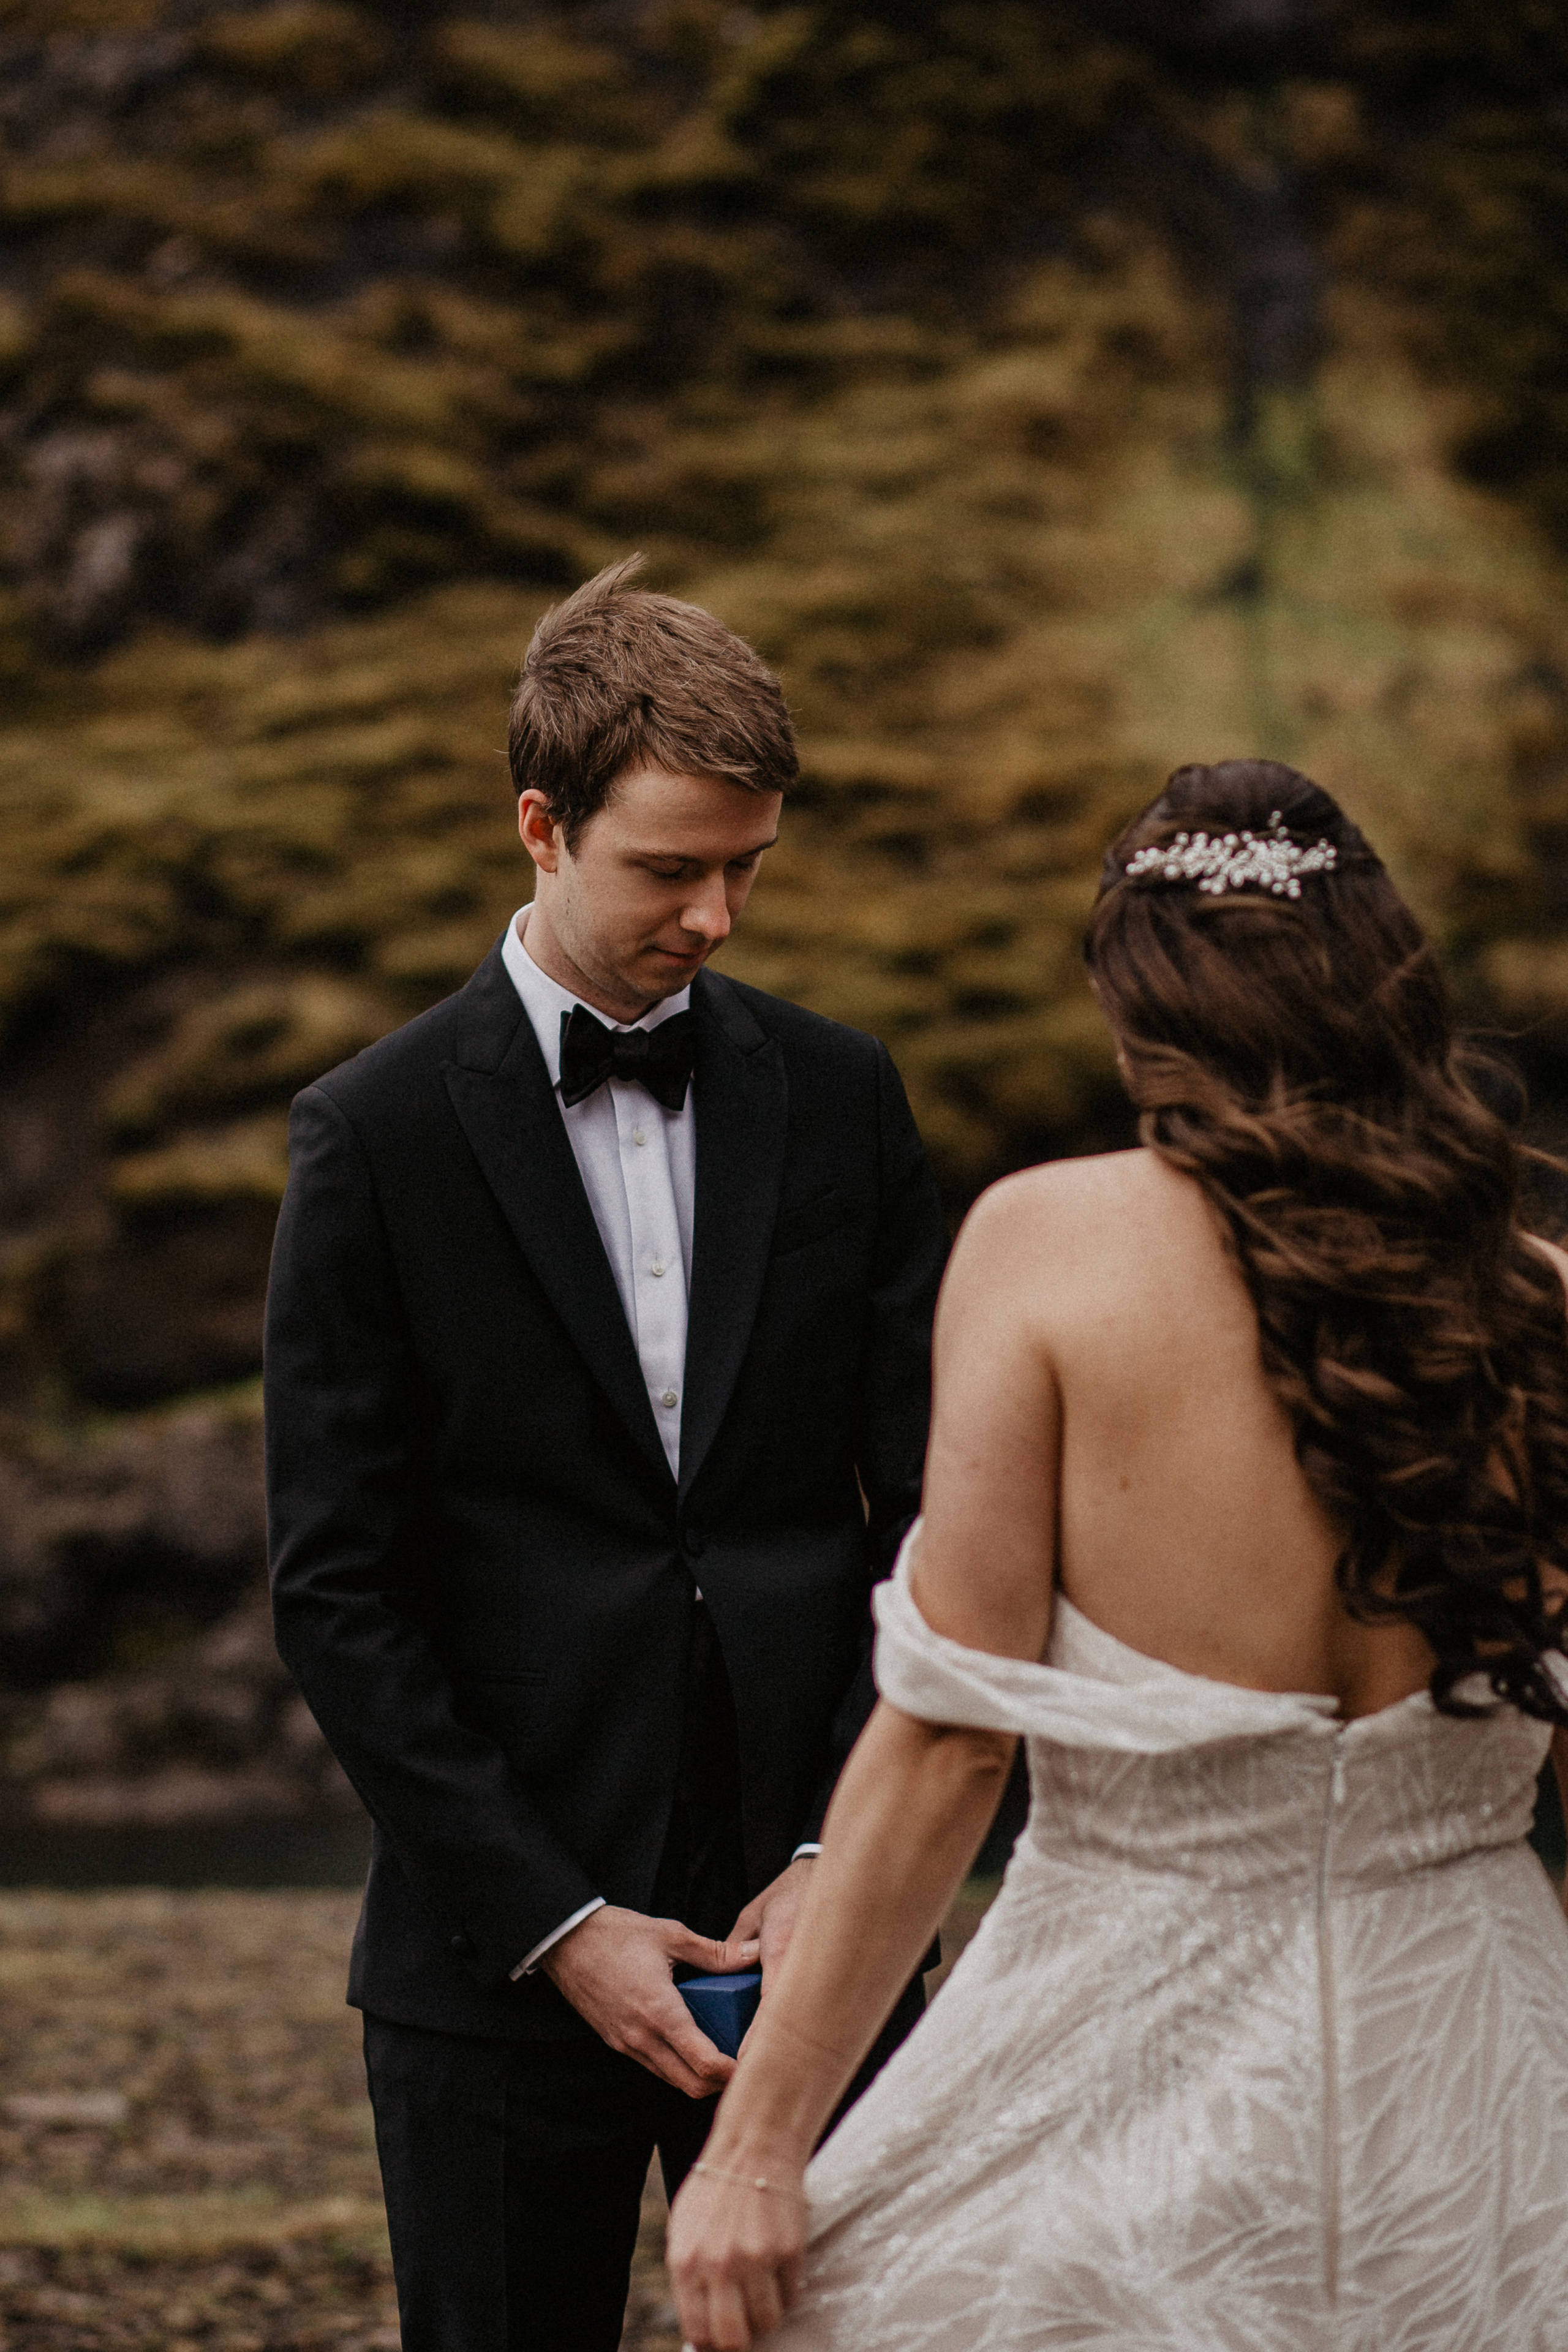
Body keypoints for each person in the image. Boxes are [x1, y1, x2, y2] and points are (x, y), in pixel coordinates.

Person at [668, 756, 1568, 2352]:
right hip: (1488, 2079)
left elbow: (951, 1742)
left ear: (1136, 1007)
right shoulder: (1536, 1303)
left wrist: (756, 2151)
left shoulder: (1047, 1245)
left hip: (1134, 2056)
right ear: (1383, 992)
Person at [264, 558, 948, 2351]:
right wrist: (556, 1919)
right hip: (497, 1966)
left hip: (823, 1943)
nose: (719, 916)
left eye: (750, 869)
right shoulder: (373, 1132)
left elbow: (938, 1521)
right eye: (672, 868)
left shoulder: (845, 1095)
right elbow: (338, 1588)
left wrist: (837, 1857)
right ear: (540, 827)